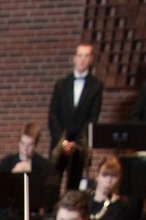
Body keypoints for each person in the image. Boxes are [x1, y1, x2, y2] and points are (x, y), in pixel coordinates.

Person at [48, 42, 104, 192]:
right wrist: (63, 141)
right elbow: (53, 114)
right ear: (74, 58)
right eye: (80, 55)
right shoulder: (61, 84)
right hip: (60, 142)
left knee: (73, 186)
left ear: (91, 59)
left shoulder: (96, 86)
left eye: (86, 56)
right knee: (52, 183)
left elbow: (93, 117)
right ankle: (49, 214)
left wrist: (77, 142)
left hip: (79, 145)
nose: (82, 59)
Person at [88, 155, 133, 220]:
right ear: (97, 175)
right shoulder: (85, 201)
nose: (109, 180)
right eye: (105, 175)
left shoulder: (121, 206)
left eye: (114, 176)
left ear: (119, 178)